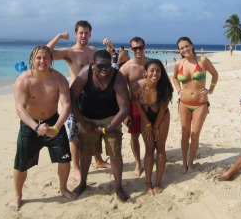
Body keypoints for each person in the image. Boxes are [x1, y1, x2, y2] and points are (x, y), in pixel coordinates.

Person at [9, 45, 76, 211]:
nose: (42, 61)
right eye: (38, 58)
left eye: (46, 58)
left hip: (54, 121)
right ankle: (18, 195)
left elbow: (66, 105)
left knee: (65, 159)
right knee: (21, 163)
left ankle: (63, 188)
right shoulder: (23, 80)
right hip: (30, 125)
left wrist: (57, 126)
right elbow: (20, 108)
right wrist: (35, 126)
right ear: (32, 59)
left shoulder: (59, 79)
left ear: (51, 60)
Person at [47, 20, 111, 181]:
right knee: (75, 135)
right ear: (76, 34)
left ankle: (98, 160)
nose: (83, 36)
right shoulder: (70, 52)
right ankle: (76, 168)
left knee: (95, 128)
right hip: (77, 97)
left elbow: (107, 60)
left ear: (90, 34)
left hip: (94, 96)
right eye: (81, 33)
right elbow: (46, 53)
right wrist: (59, 36)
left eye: (86, 33)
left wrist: (109, 47)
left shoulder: (94, 50)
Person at [70, 50, 130, 202]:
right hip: (88, 118)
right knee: (85, 153)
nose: (104, 69)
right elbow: (71, 100)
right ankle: (83, 183)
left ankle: (118, 186)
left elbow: (124, 109)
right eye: (100, 66)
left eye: (107, 66)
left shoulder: (117, 77)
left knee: (115, 153)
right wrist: (84, 123)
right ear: (93, 64)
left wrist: (110, 127)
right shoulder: (85, 74)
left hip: (112, 118)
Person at [172, 37, 218, 173]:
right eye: (181, 48)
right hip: (184, 103)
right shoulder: (178, 64)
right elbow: (174, 77)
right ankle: (183, 162)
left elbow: (215, 74)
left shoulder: (202, 60)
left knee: (195, 134)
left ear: (192, 46)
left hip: (200, 104)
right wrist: (178, 89)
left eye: (186, 46)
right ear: (179, 50)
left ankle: (191, 162)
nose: (184, 49)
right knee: (184, 134)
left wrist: (211, 89)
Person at [131, 59, 173, 194]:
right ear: (145, 73)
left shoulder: (165, 88)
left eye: (158, 71)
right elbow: (138, 107)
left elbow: (162, 110)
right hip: (146, 117)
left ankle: (158, 181)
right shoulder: (137, 87)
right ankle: (148, 182)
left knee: (160, 148)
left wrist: (155, 127)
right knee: (149, 149)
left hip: (162, 118)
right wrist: (148, 124)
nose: (155, 73)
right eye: (152, 70)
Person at [120, 37, 148, 176]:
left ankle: (149, 157)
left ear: (144, 47)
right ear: (131, 49)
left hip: (151, 105)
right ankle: (138, 162)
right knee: (135, 136)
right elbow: (119, 92)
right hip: (134, 105)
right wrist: (124, 113)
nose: (138, 50)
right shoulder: (126, 68)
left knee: (151, 134)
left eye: (140, 47)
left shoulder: (152, 64)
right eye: (135, 48)